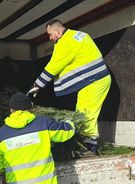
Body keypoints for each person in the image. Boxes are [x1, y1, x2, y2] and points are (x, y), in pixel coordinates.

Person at [28, 19, 111, 156]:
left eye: (50, 34)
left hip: (94, 81)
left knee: (85, 114)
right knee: (83, 110)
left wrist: (36, 86)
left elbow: (53, 67)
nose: (49, 38)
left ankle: (90, 147)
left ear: (58, 32)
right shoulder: (79, 35)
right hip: (95, 79)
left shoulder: (66, 43)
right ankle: (86, 143)